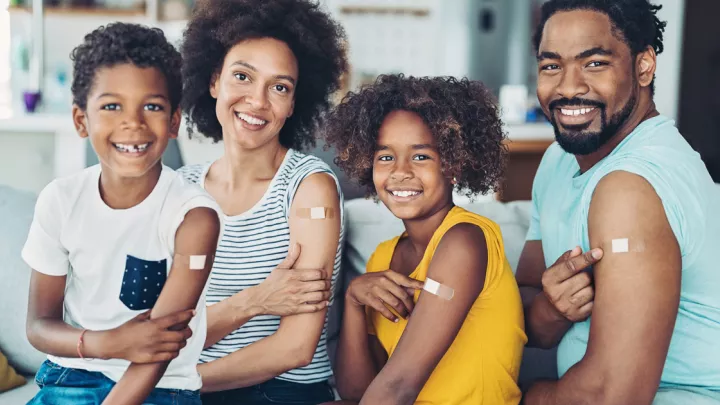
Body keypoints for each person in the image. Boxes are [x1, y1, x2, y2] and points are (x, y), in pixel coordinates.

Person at [515, 1, 720, 404]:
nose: (568, 87)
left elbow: (611, 396)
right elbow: (523, 298)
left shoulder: (629, 187)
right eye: (551, 66)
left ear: (644, 66)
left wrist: (517, 398)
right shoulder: (559, 161)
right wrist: (551, 311)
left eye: (594, 63)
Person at [23, 23, 222, 404]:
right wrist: (109, 343)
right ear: (82, 120)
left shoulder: (194, 218)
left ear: (175, 121)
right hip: (72, 374)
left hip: (160, 388)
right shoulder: (59, 201)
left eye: (152, 106)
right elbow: (38, 326)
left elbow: (161, 349)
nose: (133, 123)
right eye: (112, 106)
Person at [177, 0, 348, 403]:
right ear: (214, 81)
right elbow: (159, 334)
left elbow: (295, 348)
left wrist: (178, 380)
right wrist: (256, 300)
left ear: (293, 105)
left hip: (281, 391)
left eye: (280, 87)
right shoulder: (179, 189)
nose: (257, 101)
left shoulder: (310, 188)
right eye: (242, 77)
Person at [322, 74, 526, 405]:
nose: (400, 171)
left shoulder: (465, 241)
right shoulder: (382, 257)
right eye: (385, 156)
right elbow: (357, 392)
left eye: (420, 156)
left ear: (453, 164)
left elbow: (399, 385)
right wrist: (353, 302)